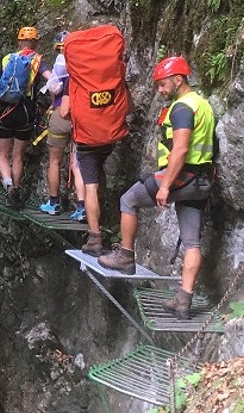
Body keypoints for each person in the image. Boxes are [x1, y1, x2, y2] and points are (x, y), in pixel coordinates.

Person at [97, 56, 216, 319]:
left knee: (129, 200)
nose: (160, 91)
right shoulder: (203, 105)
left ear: (178, 79)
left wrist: (165, 187)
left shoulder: (182, 108)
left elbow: (181, 149)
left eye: (162, 85)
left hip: (180, 177)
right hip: (202, 182)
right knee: (192, 241)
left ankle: (125, 256)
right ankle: (183, 301)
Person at [0, 26, 52, 205]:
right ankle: (16, 189)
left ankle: (8, 185)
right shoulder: (37, 60)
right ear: (36, 42)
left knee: (2, 155)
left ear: (19, 41)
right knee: (18, 155)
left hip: (5, 109)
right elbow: (51, 80)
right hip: (26, 110)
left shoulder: (7, 59)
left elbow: (0, 87)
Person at [39, 32, 84, 217]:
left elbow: (54, 87)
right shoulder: (82, 66)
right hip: (80, 118)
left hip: (61, 115)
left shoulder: (60, 64)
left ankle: (53, 202)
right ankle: (82, 207)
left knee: (54, 161)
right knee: (78, 163)